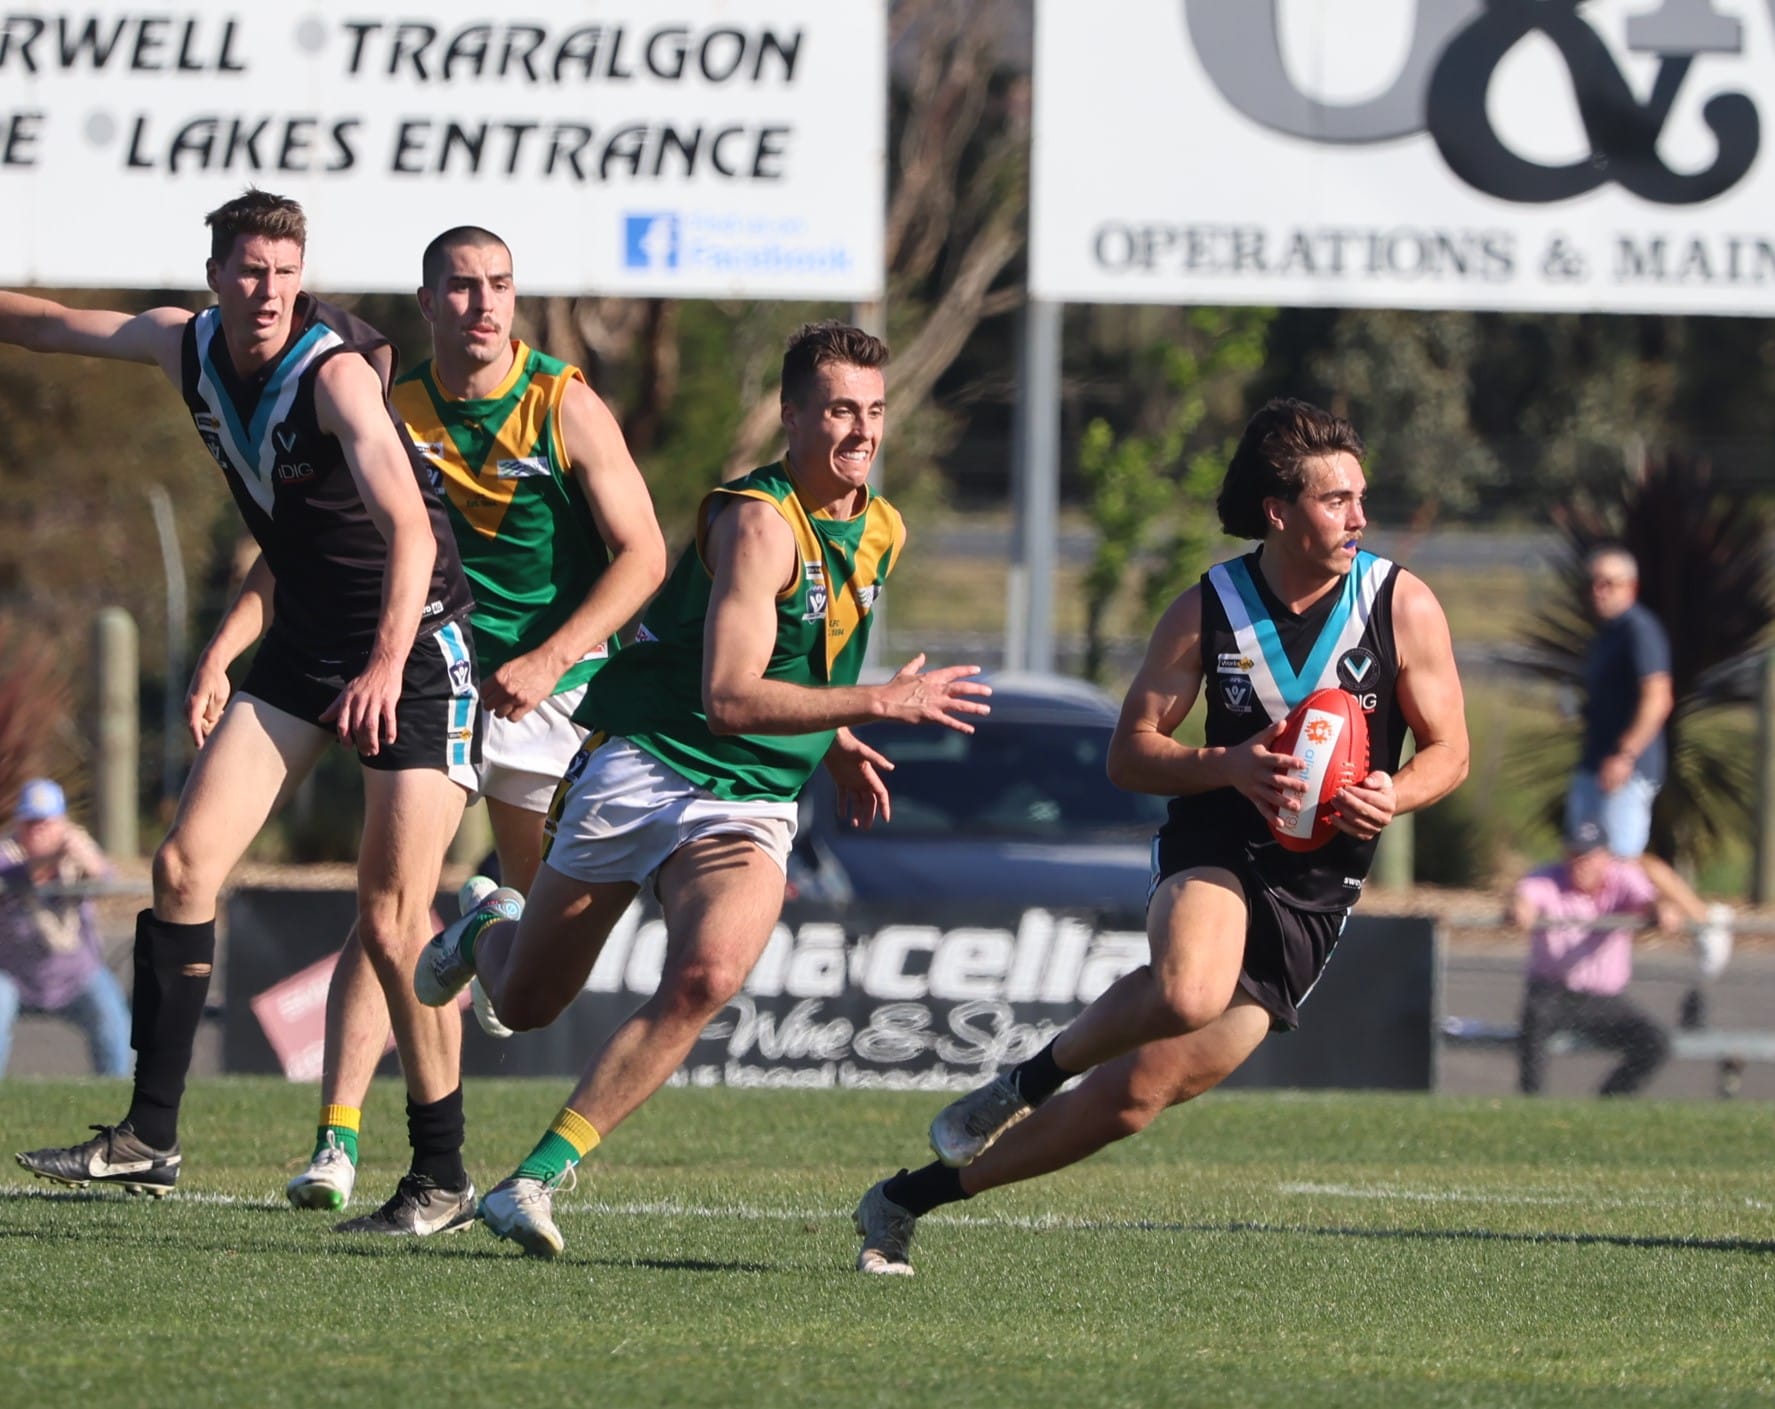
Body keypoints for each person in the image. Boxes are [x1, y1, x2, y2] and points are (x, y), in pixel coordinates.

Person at [412, 319, 992, 1258]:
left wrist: (836, 730)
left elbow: (796, 657)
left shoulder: (881, 527)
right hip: (650, 761)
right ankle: (483, 928)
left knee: (707, 973)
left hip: (749, 798)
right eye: (840, 409)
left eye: (875, 411)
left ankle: (533, 1179)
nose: (861, 432)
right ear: (791, 415)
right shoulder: (756, 521)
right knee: (524, 1003)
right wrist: (880, 699)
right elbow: (726, 696)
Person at [851, 397, 1470, 1275]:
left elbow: (1451, 750)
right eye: (1336, 500)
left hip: (1315, 890)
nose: (1359, 517)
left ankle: (905, 1198)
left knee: (1136, 1098)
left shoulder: (1399, 604)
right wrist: (1229, 766)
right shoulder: (1207, 608)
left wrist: (1392, 793)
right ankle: (1019, 1084)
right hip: (1216, 842)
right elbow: (1130, 754)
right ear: (1278, 510)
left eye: (1360, 497)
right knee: (1186, 989)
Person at [5, 190, 485, 1234]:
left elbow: (408, 529)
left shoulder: (338, 375)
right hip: (308, 646)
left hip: (416, 653)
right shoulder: (183, 346)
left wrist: (385, 661)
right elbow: (43, 324)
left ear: (299, 272)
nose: (266, 290)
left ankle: (441, 1173)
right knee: (182, 868)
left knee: (395, 919)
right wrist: (227, 646)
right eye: (249, 270)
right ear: (215, 273)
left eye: (284, 270)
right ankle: (148, 1137)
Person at [283, 225, 667, 1213]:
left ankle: (494, 916)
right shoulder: (391, 407)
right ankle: (336, 1138)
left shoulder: (560, 402)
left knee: (533, 980)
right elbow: (309, 530)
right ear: (427, 303)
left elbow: (643, 555)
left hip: (559, 691)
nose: (482, 304)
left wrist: (547, 657)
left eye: (497, 285)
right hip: (438, 673)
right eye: (460, 287)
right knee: (387, 907)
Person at [1567, 544, 1732, 972]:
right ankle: (1587, 951)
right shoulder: (1605, 636)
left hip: (1626, 766)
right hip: (1593, 762)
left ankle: (1704, 919)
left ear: (1631, 587)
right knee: (1584, 852)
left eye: (1610, 583)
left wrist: (1625, 753)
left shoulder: (1640, 629)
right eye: (1593, 584)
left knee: (1626, 855)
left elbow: (1658, 698)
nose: (1599, 592)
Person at [1513, 819, 1673, 1097]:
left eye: (1589, 856)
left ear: (1606, 857)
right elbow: (1524, 899)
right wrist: (1520, 910)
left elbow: (1650, 900)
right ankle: (1531, 1103)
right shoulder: (1548, 878)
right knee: (1535, 1019)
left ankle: (1611, 1101)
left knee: (1655, 1042)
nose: (1581, 863)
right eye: (1575, 855)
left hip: (1603, 1001)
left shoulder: (1622, 878)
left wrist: (1662, 911)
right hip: (1553, 993)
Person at [0, 780, 131, 1078]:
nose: (38, 831)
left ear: (62, 824)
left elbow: (110, 883)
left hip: (77, 974)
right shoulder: (7, 857)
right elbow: (14, 872)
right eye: (30, 822)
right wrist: (42, 863)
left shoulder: (77, 858)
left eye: (45, 823)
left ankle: (117, 1095)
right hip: (14, 975)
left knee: (112, 1018)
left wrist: (90, 861)